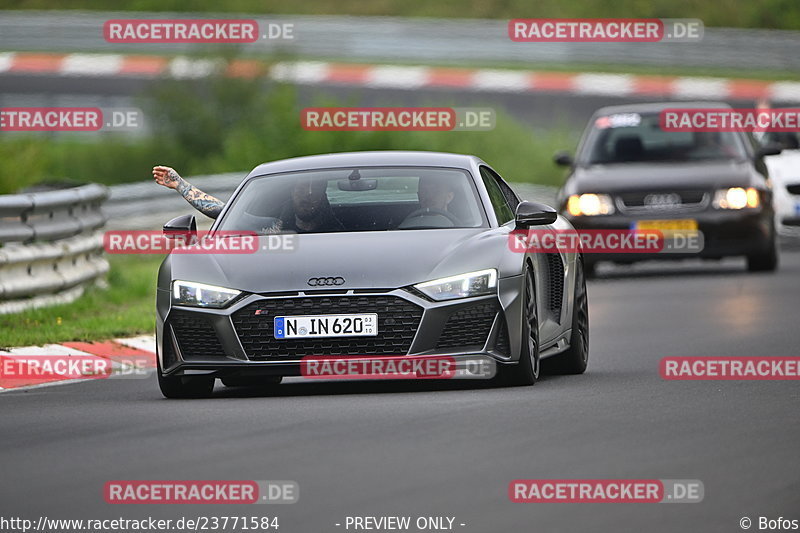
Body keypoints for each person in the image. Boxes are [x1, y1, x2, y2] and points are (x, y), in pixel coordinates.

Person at [152, 166, 344, 233]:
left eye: (316, 189)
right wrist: (180, 184)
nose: (309, 194)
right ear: (291, 193)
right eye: (302, 188)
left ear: (324, 194)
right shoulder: (273, 228)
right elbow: (221, 211)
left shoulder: (342, 232)